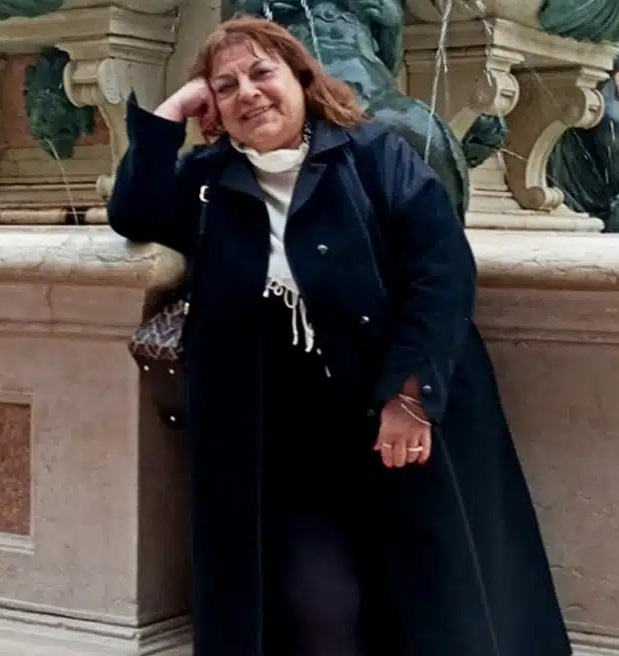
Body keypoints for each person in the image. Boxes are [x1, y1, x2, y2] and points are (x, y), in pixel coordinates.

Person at [108, 17, 571, 656]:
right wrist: (173, 111)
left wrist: (410, 397)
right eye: (226, 85)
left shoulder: (374, 154)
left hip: (393, 417)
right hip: (287, 444)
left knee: (431, 606)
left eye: (262, 73)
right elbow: (134, 211)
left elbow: (441, 272)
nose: (248, 94)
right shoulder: (210, 179)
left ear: (301, 79)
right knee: (316, 606)